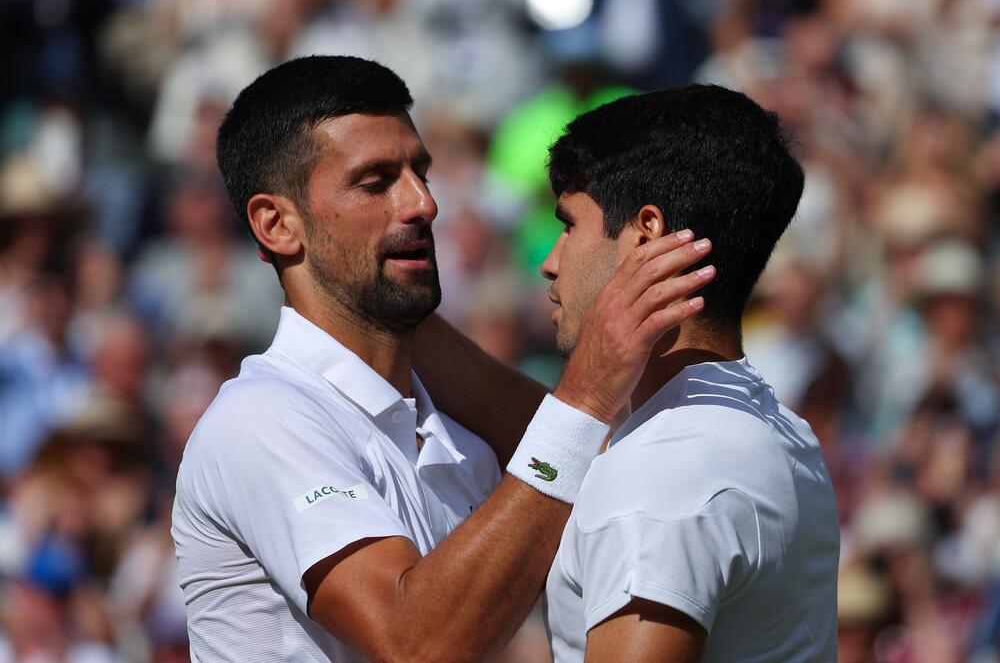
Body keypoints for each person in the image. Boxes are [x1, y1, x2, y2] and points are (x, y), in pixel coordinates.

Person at [171, 55, 716, 662]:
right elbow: (418, 644)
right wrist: (587, 391)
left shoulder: (461, 444)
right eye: (376, 181)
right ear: (276, 225)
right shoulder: (261, 419)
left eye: (420, 172)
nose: (423, 203)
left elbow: (624, 489)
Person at [431, 86, 841, 661]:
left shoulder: (664, 468)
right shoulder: (784, 433)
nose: (550, 261)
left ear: (647, 236)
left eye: (569, 225)